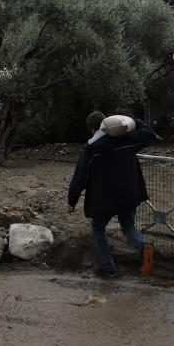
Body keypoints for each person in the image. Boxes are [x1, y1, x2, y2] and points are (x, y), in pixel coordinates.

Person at [67, 111, 156, 278]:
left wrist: (72, 200)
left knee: (98, 228)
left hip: (103, 199)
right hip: (128, 194)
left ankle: (108, 268)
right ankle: (144, 247)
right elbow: (150, 134)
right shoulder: (130, 139)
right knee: (128, 226)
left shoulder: (92, 147)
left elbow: (80, 176)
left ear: (93, 129)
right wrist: (133, 120)